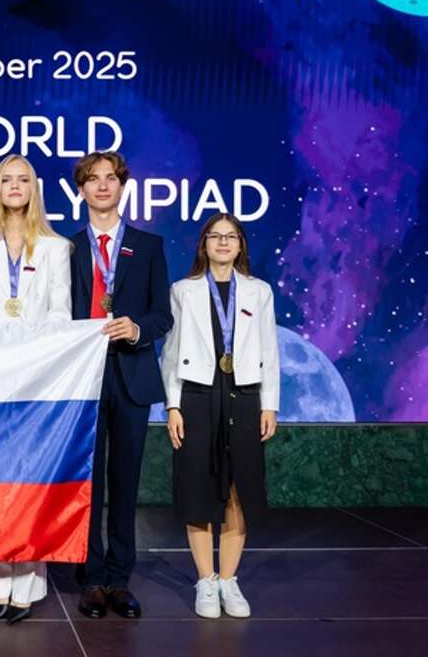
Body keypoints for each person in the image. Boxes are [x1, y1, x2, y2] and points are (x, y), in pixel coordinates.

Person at [69, 151, 173, 619]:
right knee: (87, 482)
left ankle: (119, 577)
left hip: (131, 374)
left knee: (126, 482)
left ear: (122, 186)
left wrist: (137, 329)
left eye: (110, 178)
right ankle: (91, 578)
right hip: (82, 377)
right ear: (81, 190)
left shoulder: (148, 246)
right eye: (93, 179)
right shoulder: (67, 248)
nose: (102, 186)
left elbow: (162, 315)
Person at [160, 212, 279, 619]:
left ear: (241, 244)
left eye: (231, 236)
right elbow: (171, 352)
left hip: (244, 395)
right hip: (197, 394)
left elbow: (269, 349)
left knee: (238, 488)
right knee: (198, 488)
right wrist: (173, 405)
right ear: (204, 244)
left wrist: (269, 404)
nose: (223, 242)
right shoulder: (184, 290)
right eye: (216, 236)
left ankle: (229, 580)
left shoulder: (259, 291)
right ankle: (206, 581)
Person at [0, 154, 70, 623]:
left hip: (36, 380)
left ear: (34, 189)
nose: (14, 186)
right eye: (6, 179)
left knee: (31, 482)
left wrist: (41, 365)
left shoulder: (56, 247)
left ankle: (28, 582)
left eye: (22, 180)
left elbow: (61, 315)